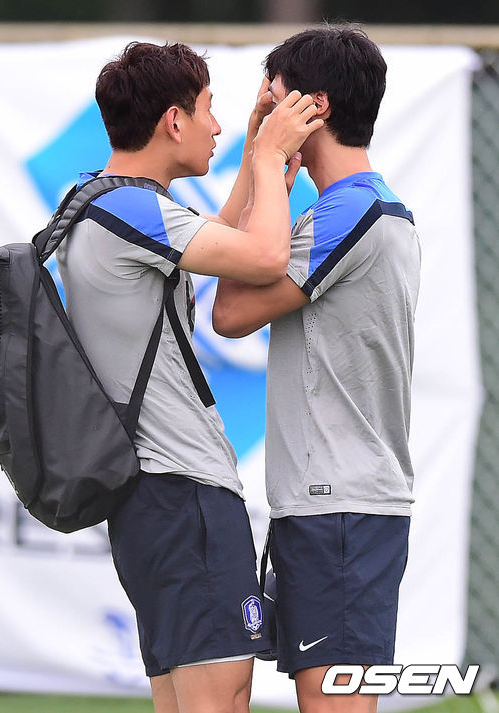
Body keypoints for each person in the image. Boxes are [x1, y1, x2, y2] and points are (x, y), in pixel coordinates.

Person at [57, 41, 322, 713]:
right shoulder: (131, 212)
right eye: (208, 109)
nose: (218, 127)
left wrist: (260, 152)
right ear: (174, 121)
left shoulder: (99, 202)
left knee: (183, 699)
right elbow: (264, 256)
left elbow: (218, 238)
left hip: (153, 500)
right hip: (182, 491)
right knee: (220, 699)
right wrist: (267, 158)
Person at [212, 25, 421, 713]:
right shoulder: (362, 207)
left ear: (315, 107)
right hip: (334, 505)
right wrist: (262, 164)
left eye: (272, 99)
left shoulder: (347, 213)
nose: (263, 116)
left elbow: (229, 311)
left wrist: (266, 164)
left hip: (340, 508)